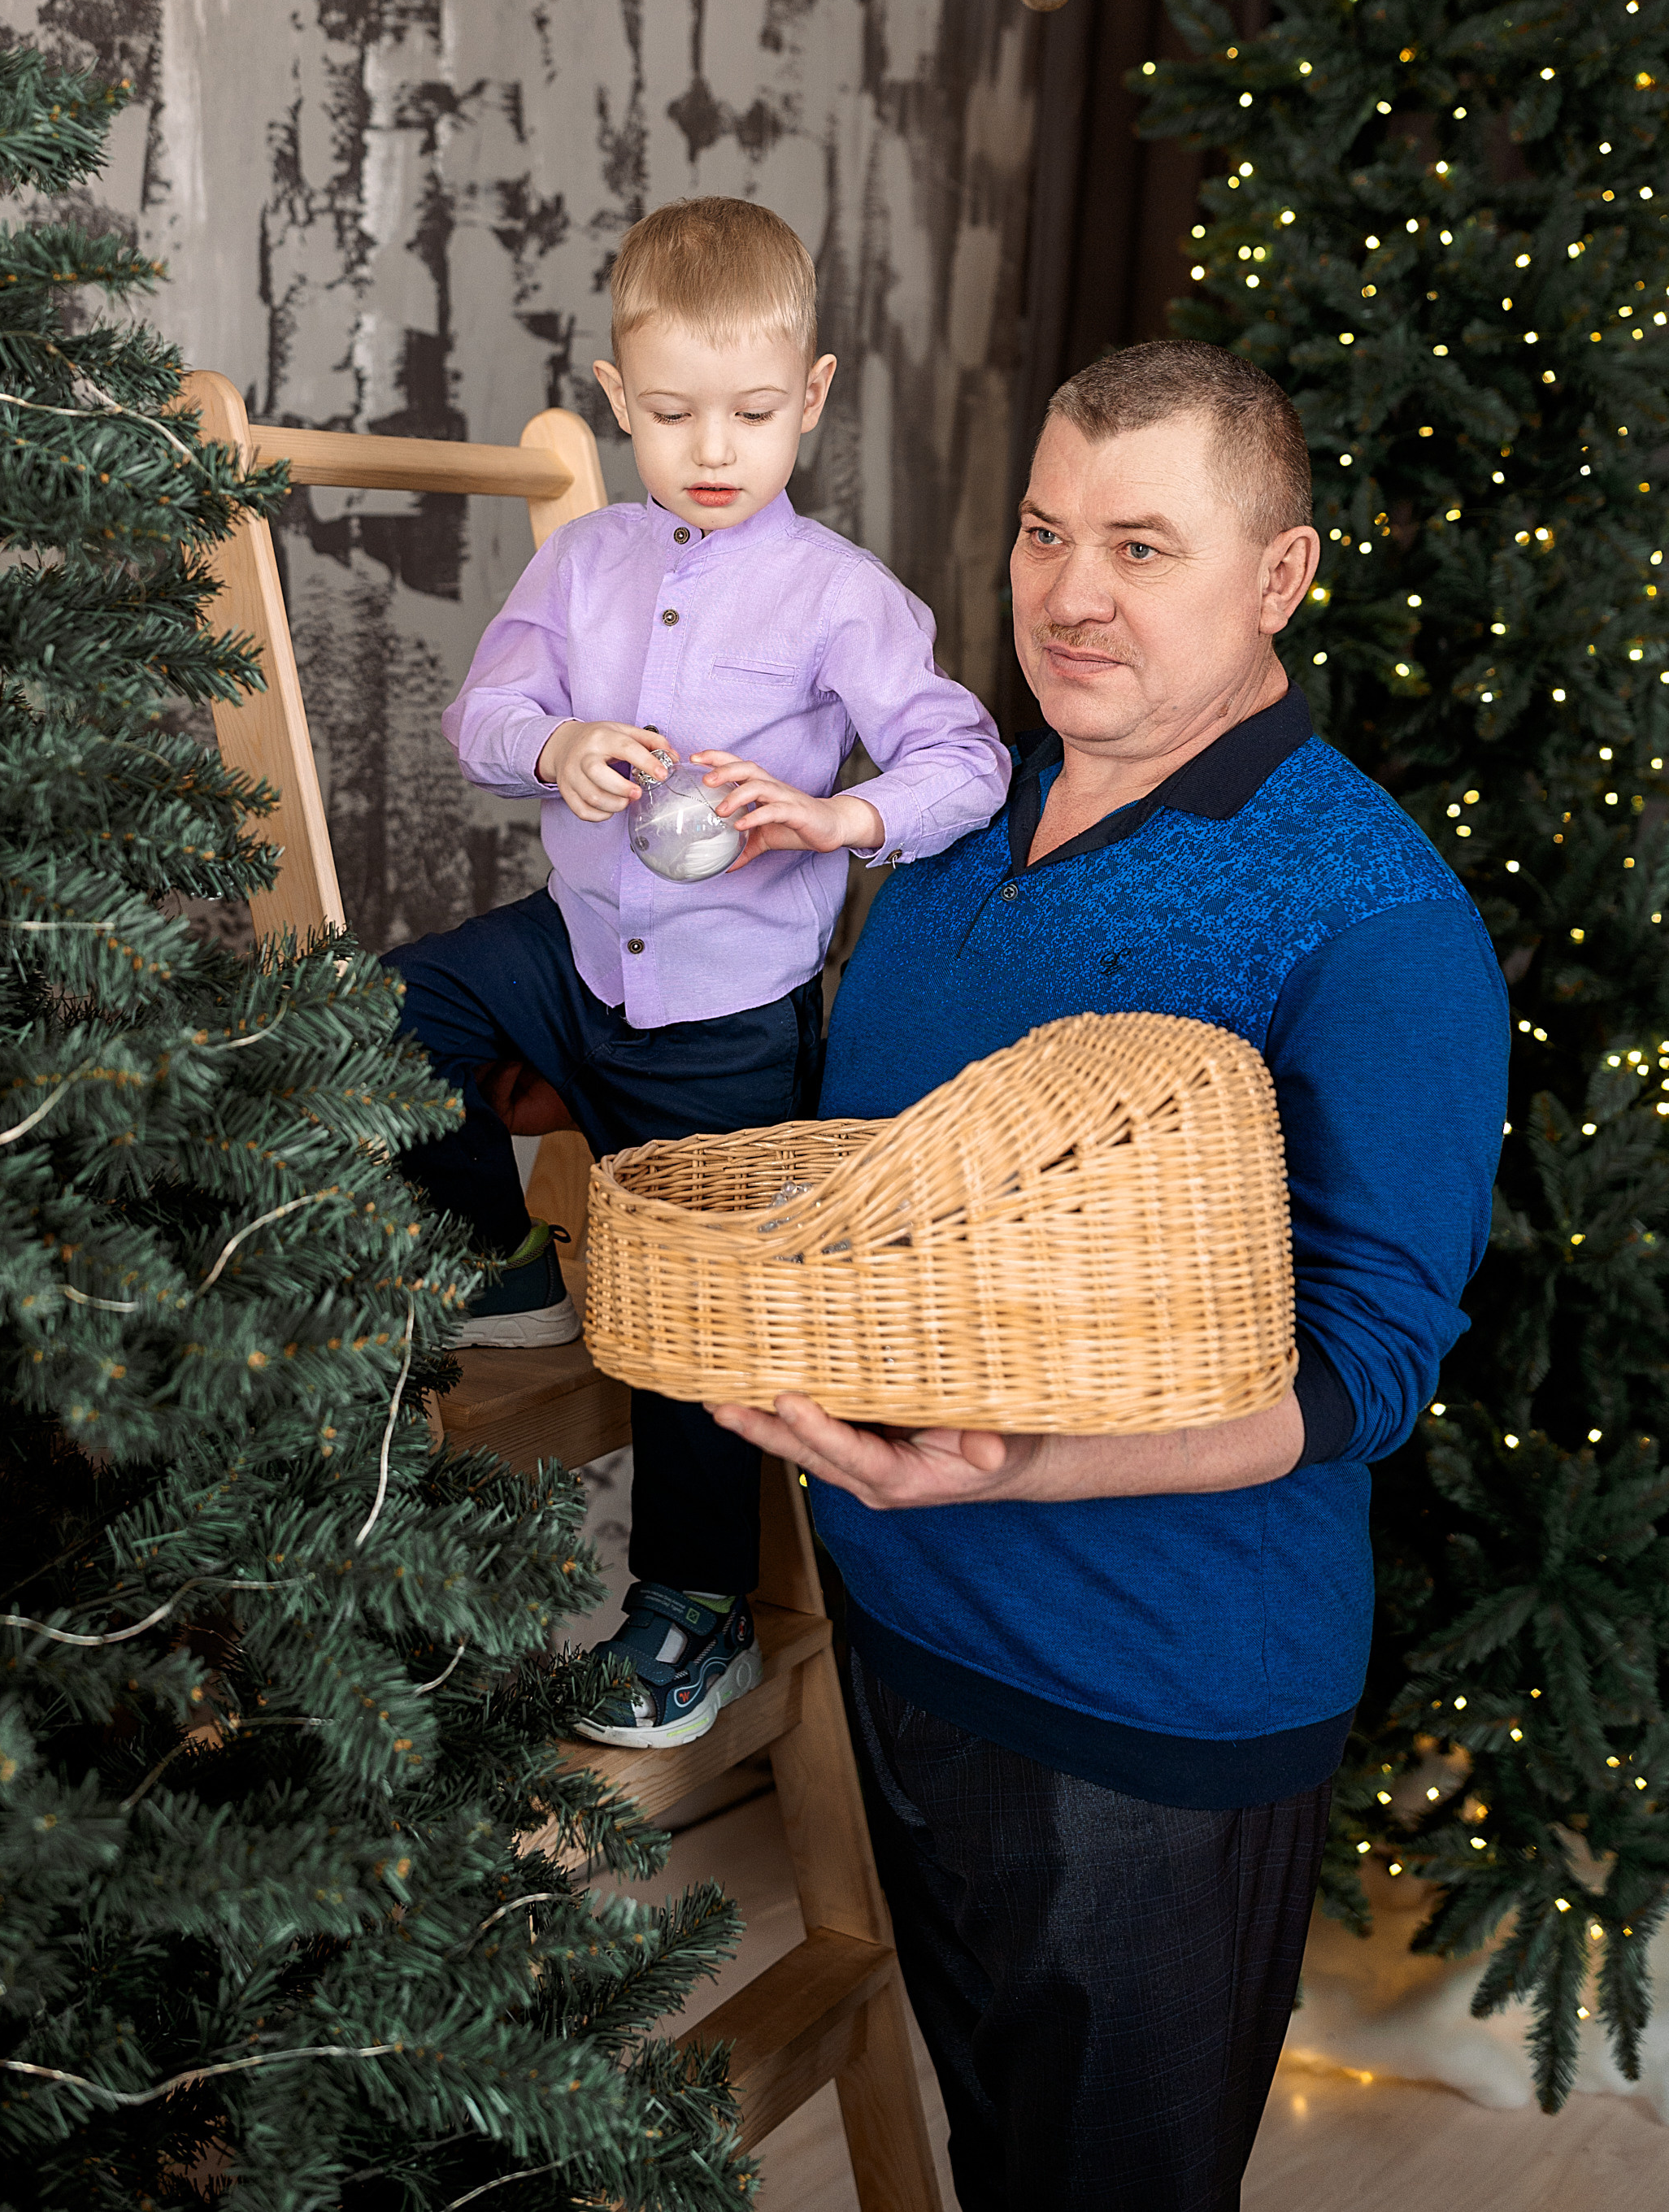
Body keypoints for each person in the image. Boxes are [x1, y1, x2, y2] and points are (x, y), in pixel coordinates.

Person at [713, 340, 1510, 2208]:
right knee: (1006, 2157)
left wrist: (1020, 1467)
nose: (1068, 593)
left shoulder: (1370, 913)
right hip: (903, 1625)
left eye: (1141, 545)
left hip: (1148, 1702)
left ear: (1278, 576)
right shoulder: (958, 813)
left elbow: (1365, 1367)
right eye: (1042, 530)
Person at [385, 195, 1009, 1747]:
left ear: (810, 394)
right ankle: (502, 1264)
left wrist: (834, 814)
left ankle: (694, 1608)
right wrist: (557, 744)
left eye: (748, 412)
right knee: (386, 1013)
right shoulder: (584, 564)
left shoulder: (840, 595)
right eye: (669, 414)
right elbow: (480, 720)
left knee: (693, 1331)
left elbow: (966, 756)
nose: (710, 448)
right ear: (617, 397)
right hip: (573, 953)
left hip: (723, 1021)